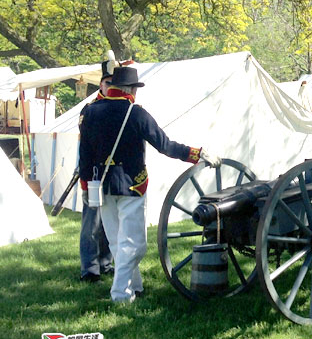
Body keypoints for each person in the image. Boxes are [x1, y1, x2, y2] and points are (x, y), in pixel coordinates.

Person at [79, 66, 220, 303]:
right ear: (131, 90)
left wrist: (85, 185)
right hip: (131, 185)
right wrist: (197, 153)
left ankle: (135, 286)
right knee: (135, 245)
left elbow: (84, 155)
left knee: (116, 241)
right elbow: (166, 146)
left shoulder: (90, 112)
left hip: (101, 185)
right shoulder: (136, 113)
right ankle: (120, 294)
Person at [78, 60, 115, 282]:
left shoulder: (119, 107)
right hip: (93, 173)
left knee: (108, 224)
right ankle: (90, 270)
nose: (111, 87)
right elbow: (85, 148)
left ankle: (105, 263)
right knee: (91, 225)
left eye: (114, 83)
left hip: (114, 173)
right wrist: (85, 181)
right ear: (101, 84)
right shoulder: (90, 110)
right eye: (108, 83)